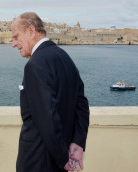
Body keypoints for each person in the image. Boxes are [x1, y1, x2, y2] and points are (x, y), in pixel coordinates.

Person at [11, 12, 90, 172]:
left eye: (16, 37)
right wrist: (78, 141)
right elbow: (81, 103)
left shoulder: (35, 65)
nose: (13, 44)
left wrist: (63, 158)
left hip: (38, 162)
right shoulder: (64, 57)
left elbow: (47, 118)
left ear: (31, 31)